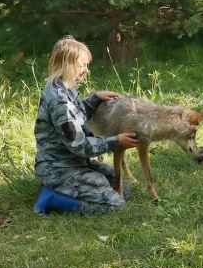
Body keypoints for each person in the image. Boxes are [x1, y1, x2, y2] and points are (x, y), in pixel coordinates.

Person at [33, 36, 140, 215]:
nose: (86, 71)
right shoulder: (60, 102)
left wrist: (95, 99)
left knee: (123, 190)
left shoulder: (63, 87)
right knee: (115, 205)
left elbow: (75, 120)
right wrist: (116, 141)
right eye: (82, 65)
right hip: (59, 168)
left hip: (73, 163)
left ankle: (61, 191)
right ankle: (52, 198)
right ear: (68, 64)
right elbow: (79, 145)